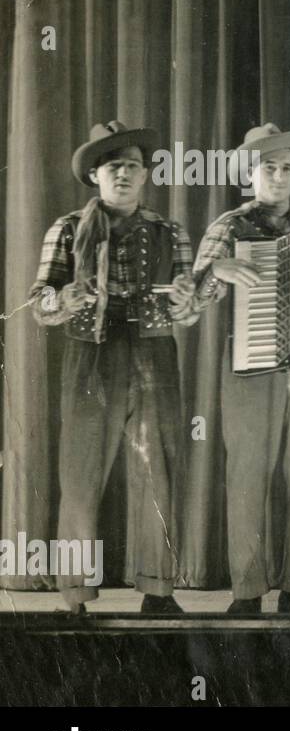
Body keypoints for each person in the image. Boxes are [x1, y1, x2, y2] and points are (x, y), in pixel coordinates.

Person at [30, 121, 198, 614]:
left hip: (154, 353)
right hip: (90, 355)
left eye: (132, 166)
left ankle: (159, 591)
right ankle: (75, 596)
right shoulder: (66, 228)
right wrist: (64, 297)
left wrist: (191, 299)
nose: (122, 174)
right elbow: (38, 304)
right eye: (112, 166)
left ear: (146, 175)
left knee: (159, 470)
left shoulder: (171, 232)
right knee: (80, 477)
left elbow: (186, 311)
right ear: (95, 176)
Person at [174, 123, 290, 614]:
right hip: (250, 368)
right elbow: (185, 308)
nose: (280, 176)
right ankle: (246, 593)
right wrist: (212, 271)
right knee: (248, 476)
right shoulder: (229, 226)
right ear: (250, 172)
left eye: (288, 168)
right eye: (269, 167)